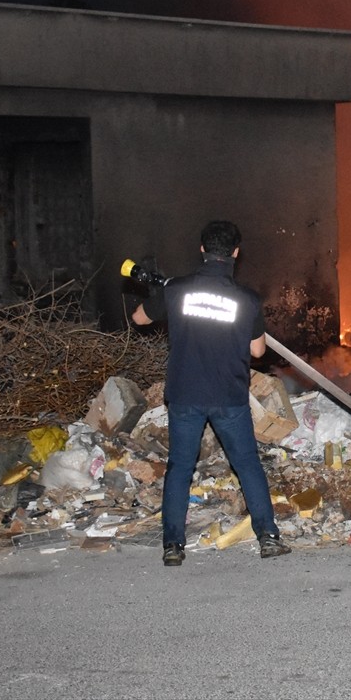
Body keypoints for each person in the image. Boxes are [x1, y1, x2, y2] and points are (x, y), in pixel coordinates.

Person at [132, 220, 291, 565]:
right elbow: (260, 352)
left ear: (202, 250)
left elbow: (140, 319)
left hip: (185, 393)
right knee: (247, 464)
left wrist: (165, 297)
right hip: (228, 395)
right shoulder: (246, 299)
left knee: (180, 467)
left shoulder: (178, 290)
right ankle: (268, 537)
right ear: (235, 253)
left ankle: (173, 546)